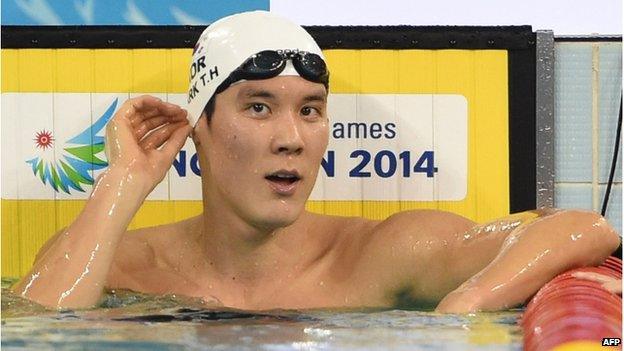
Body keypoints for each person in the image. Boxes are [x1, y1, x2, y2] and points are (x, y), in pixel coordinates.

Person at [12, 11, 620, 312]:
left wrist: (463, 307)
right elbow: (36, 328)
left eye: (310, 111)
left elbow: (584, 228)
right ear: (200, 126)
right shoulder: (122, 262)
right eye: (258, 107)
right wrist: (124, 181)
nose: (292, 139)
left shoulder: (381, 255)